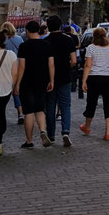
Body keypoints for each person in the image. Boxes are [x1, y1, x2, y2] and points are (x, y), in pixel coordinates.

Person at [15, 20, 55, 149]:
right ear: (38, 30)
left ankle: (29, 141)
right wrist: (51, 80)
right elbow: (51, 64)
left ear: (27, 31)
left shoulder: (24, 46)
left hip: (27, 81)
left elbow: (21, 66)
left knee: (28, 112)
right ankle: (43, 131)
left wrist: (17, 83)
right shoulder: (47, 45)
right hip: (42, 80)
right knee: (39, 109)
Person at [80, 27, 109, 141]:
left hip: (94, 78)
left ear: (94, 37)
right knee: (108, 104)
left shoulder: (91, 48)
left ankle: (87, 127)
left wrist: (84, 81)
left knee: (91, 103)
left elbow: (88, 65)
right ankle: (107, 132)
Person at [44, 15, 77, 147]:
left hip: (49, 78)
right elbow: (74, 60)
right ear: (60, 26)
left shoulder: (45, 41)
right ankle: (65, 131)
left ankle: (51, 135)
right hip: (65, 77)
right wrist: (67, 65)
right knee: (65, 105)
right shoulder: (68, 40)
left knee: (50, 106)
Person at [1, 22, 25, 124]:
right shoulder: (19, 39)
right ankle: (21, 113)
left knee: (4, 91)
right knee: (17, 90)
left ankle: (2, 113)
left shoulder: (2, 40)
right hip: (19, 66)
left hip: (6, 68)